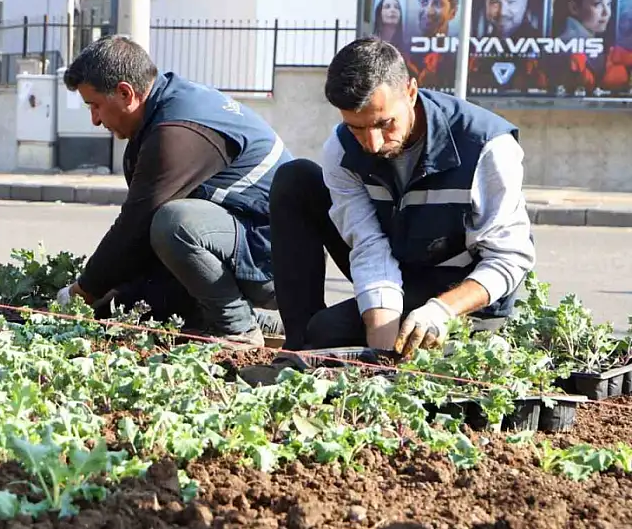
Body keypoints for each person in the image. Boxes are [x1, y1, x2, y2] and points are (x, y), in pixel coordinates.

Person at [245, 37, 534, 380]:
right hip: (402, 272)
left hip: (463, 296)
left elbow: (509, 259)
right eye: (357, 128)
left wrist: (442, 310)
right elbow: (370, 247)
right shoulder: (342, 151)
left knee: (340, 336)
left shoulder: (486, 146)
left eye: (384, 124)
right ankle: (300, 348)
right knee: (297, 180)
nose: (373, 144)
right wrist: (382, 360)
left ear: (411, 92)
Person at [54, 35, 292, 349]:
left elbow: (135, 227)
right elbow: (142, 246)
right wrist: (114, 297)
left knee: (173, 224)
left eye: (95, 105)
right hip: (250, 240)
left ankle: (239, 331)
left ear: (126, 93)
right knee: (144, 284)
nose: (95, 119)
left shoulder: (177, 131)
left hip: (278, 261)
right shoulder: (164, 108)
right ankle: (264, 324)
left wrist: (81, 294)